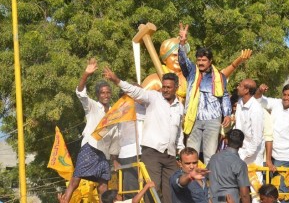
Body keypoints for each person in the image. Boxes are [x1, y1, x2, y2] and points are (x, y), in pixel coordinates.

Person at [103, 68, 185, 203]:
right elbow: (135, 91)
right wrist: (116, 80)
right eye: (163, 87)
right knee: (152, 188)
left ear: (176, 87)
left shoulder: (179, 107)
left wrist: (180, 152)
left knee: (171, 189)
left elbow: (178, 133)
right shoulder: (154, 97)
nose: (165, 90)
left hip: (170, 154)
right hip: (152, 152)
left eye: (169, 87)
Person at [58, 58, 120, 203]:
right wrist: (86, 74)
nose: (105, 95)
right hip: (90, 147)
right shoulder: (92, 106)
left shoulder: (114, 113)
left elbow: (115, 137)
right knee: (76, 179)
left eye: (108, 92)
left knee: (103, 183)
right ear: (98, 95)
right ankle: (65, 201)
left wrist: (115, 159)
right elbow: (80, 93)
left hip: (104, 154)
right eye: (102, 93)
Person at [178, 24, 232, 165]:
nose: (201, 63)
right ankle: (191, 184)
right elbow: (183, 61)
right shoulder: (191, 73)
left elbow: (225, 96)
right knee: (191, 154)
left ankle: (210, 185)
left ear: (210, 61)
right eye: (199, 60)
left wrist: (227, 114)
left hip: (213, 119)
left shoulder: (219, 77)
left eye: (204, 60)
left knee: (210, 155)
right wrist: (182, 42)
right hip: (193, 118)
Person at [255, 83, 289, 203]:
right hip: (268, 154)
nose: (286, 98)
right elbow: (258, 100)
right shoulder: (277, 103)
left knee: (282, 191)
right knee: (266, 189)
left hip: (285, 157)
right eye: (284, 94)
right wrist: (260, 90)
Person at [235, 79, 264, 202]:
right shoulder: (240, 103)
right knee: (240, 185)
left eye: (240, 85)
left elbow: (256, 138)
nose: (237, 87)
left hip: (253, 153)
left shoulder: (256, 109)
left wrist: (245, 154)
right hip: (240, 149)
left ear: (246, 90)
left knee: (255, 186)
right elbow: (238, 127)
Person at [141, 37, 190, 104]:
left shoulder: (191, 79)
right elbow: (139, 99)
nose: (179, 59)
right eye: (174, 55)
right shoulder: (154, 80)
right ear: (165, 59)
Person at [207, 129, 251, 203]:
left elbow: (204, 177)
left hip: (213, 199)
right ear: (241, 144)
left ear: (226, 141)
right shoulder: (240, 164)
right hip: (230, 200)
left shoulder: (214, 158)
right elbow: (244, 194)